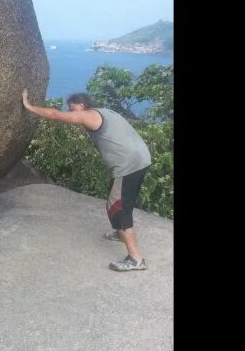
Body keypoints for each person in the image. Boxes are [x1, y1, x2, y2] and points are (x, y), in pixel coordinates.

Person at [21, 89, 151, 271]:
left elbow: (54, 114)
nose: (71, 113)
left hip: (128, 165)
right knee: (122, 200)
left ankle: (136, 259)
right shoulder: (105, 112)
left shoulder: (87, 116)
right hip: (141, 159)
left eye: (73, 109)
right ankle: (121, 233)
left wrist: (28, 106)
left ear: (82, 106)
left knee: (117, 208)